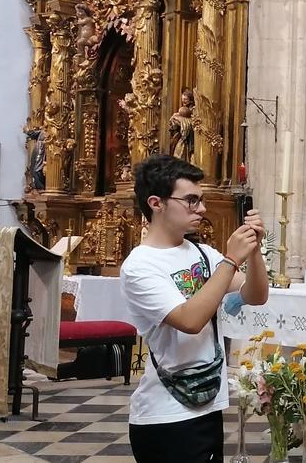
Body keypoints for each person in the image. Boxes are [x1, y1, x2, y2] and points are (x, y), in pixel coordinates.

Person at [121, 154, 269, 462]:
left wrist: (253, 252)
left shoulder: (203, 252)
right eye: (191, 200)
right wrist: (230, 260)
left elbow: (255, 295)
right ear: (156, 203)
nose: (201, 209)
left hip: (208, 403)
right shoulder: (140, 265)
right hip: (165, 414)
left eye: (200, 200)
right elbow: (190, 320)